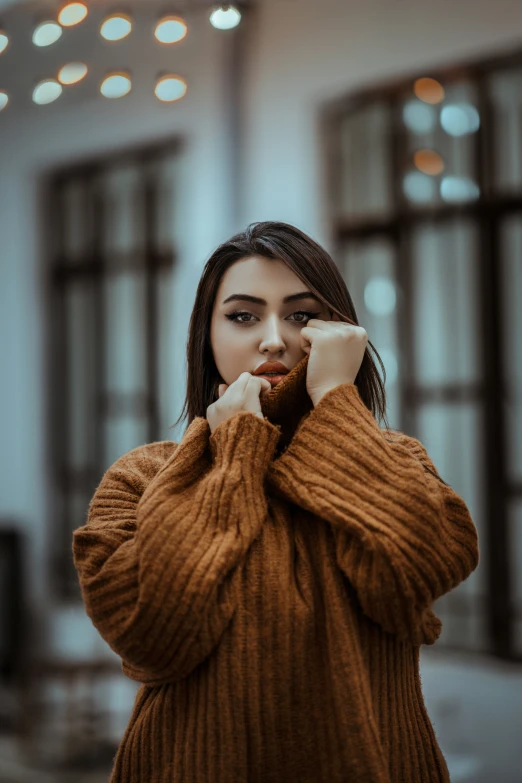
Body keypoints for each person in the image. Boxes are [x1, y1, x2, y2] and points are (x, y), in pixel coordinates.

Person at [72, 220, 480, 783]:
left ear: (341, 333)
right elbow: (154, 638)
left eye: (303, 316)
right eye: (242, 315)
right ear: (206, 335)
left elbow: (422, 565)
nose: (273, 339)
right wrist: (237, 454)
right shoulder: (143, 477)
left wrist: (337, 399)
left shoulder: (396, 460)